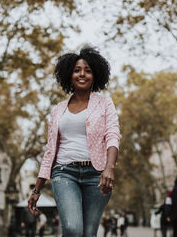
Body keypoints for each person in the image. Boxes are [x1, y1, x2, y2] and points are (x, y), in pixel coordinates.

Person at [28, 46, 121, 237]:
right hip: (64, 173)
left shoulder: (105, 104)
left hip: (97, 176)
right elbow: (49, 152)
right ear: (69, 75)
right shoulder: (58, 110)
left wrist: (109, 167)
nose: (82, 74)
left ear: (95, 75)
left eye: (88, 70)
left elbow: (113, 135)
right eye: (77, 70)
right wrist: (37, 189)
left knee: (88, 233)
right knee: (72, 228)